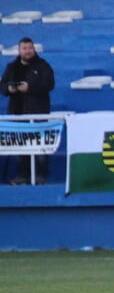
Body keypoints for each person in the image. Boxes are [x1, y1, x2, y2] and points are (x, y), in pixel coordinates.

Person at [1, 37, 55, 185]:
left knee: (39, 148)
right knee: (21, 148)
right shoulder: (12, 67)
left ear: (34, 49)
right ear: (19, 50)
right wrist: (9, 89)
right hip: (18, 114)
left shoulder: (43, 66)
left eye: (30, 48)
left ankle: (40, 175)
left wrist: (29, 88)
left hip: (38, 113)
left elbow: (49, 84)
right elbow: (2, 85)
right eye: (24, 48)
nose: (28, 51)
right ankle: (23, 175)